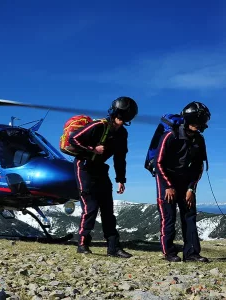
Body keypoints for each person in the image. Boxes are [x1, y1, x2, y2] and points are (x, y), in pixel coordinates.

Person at [68, 96, 138, 257]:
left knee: (108, 208)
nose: (121, 121)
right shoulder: (99, 125)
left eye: (124, 119)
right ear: (114, 114)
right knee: (90, 207)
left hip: (100, 169)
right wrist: (93, 149)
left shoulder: (122, 134)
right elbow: (74, 138)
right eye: (120, 117)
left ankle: (113, 247)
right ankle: (83, 244)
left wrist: (121, 179)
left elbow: (120, 158)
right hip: (84, 167)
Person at [154, 101, 210, 263]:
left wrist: (191, 189)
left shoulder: (199, 140)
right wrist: (168, 186)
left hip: (186, 183)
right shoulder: (170, 136)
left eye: (199, 124)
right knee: (168, 216)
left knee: (189, 216)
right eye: (194, 123)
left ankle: (191, 253)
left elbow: (199, 167)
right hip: (166, 181)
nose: (196, 127)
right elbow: (158, 163)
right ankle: (169, 252)